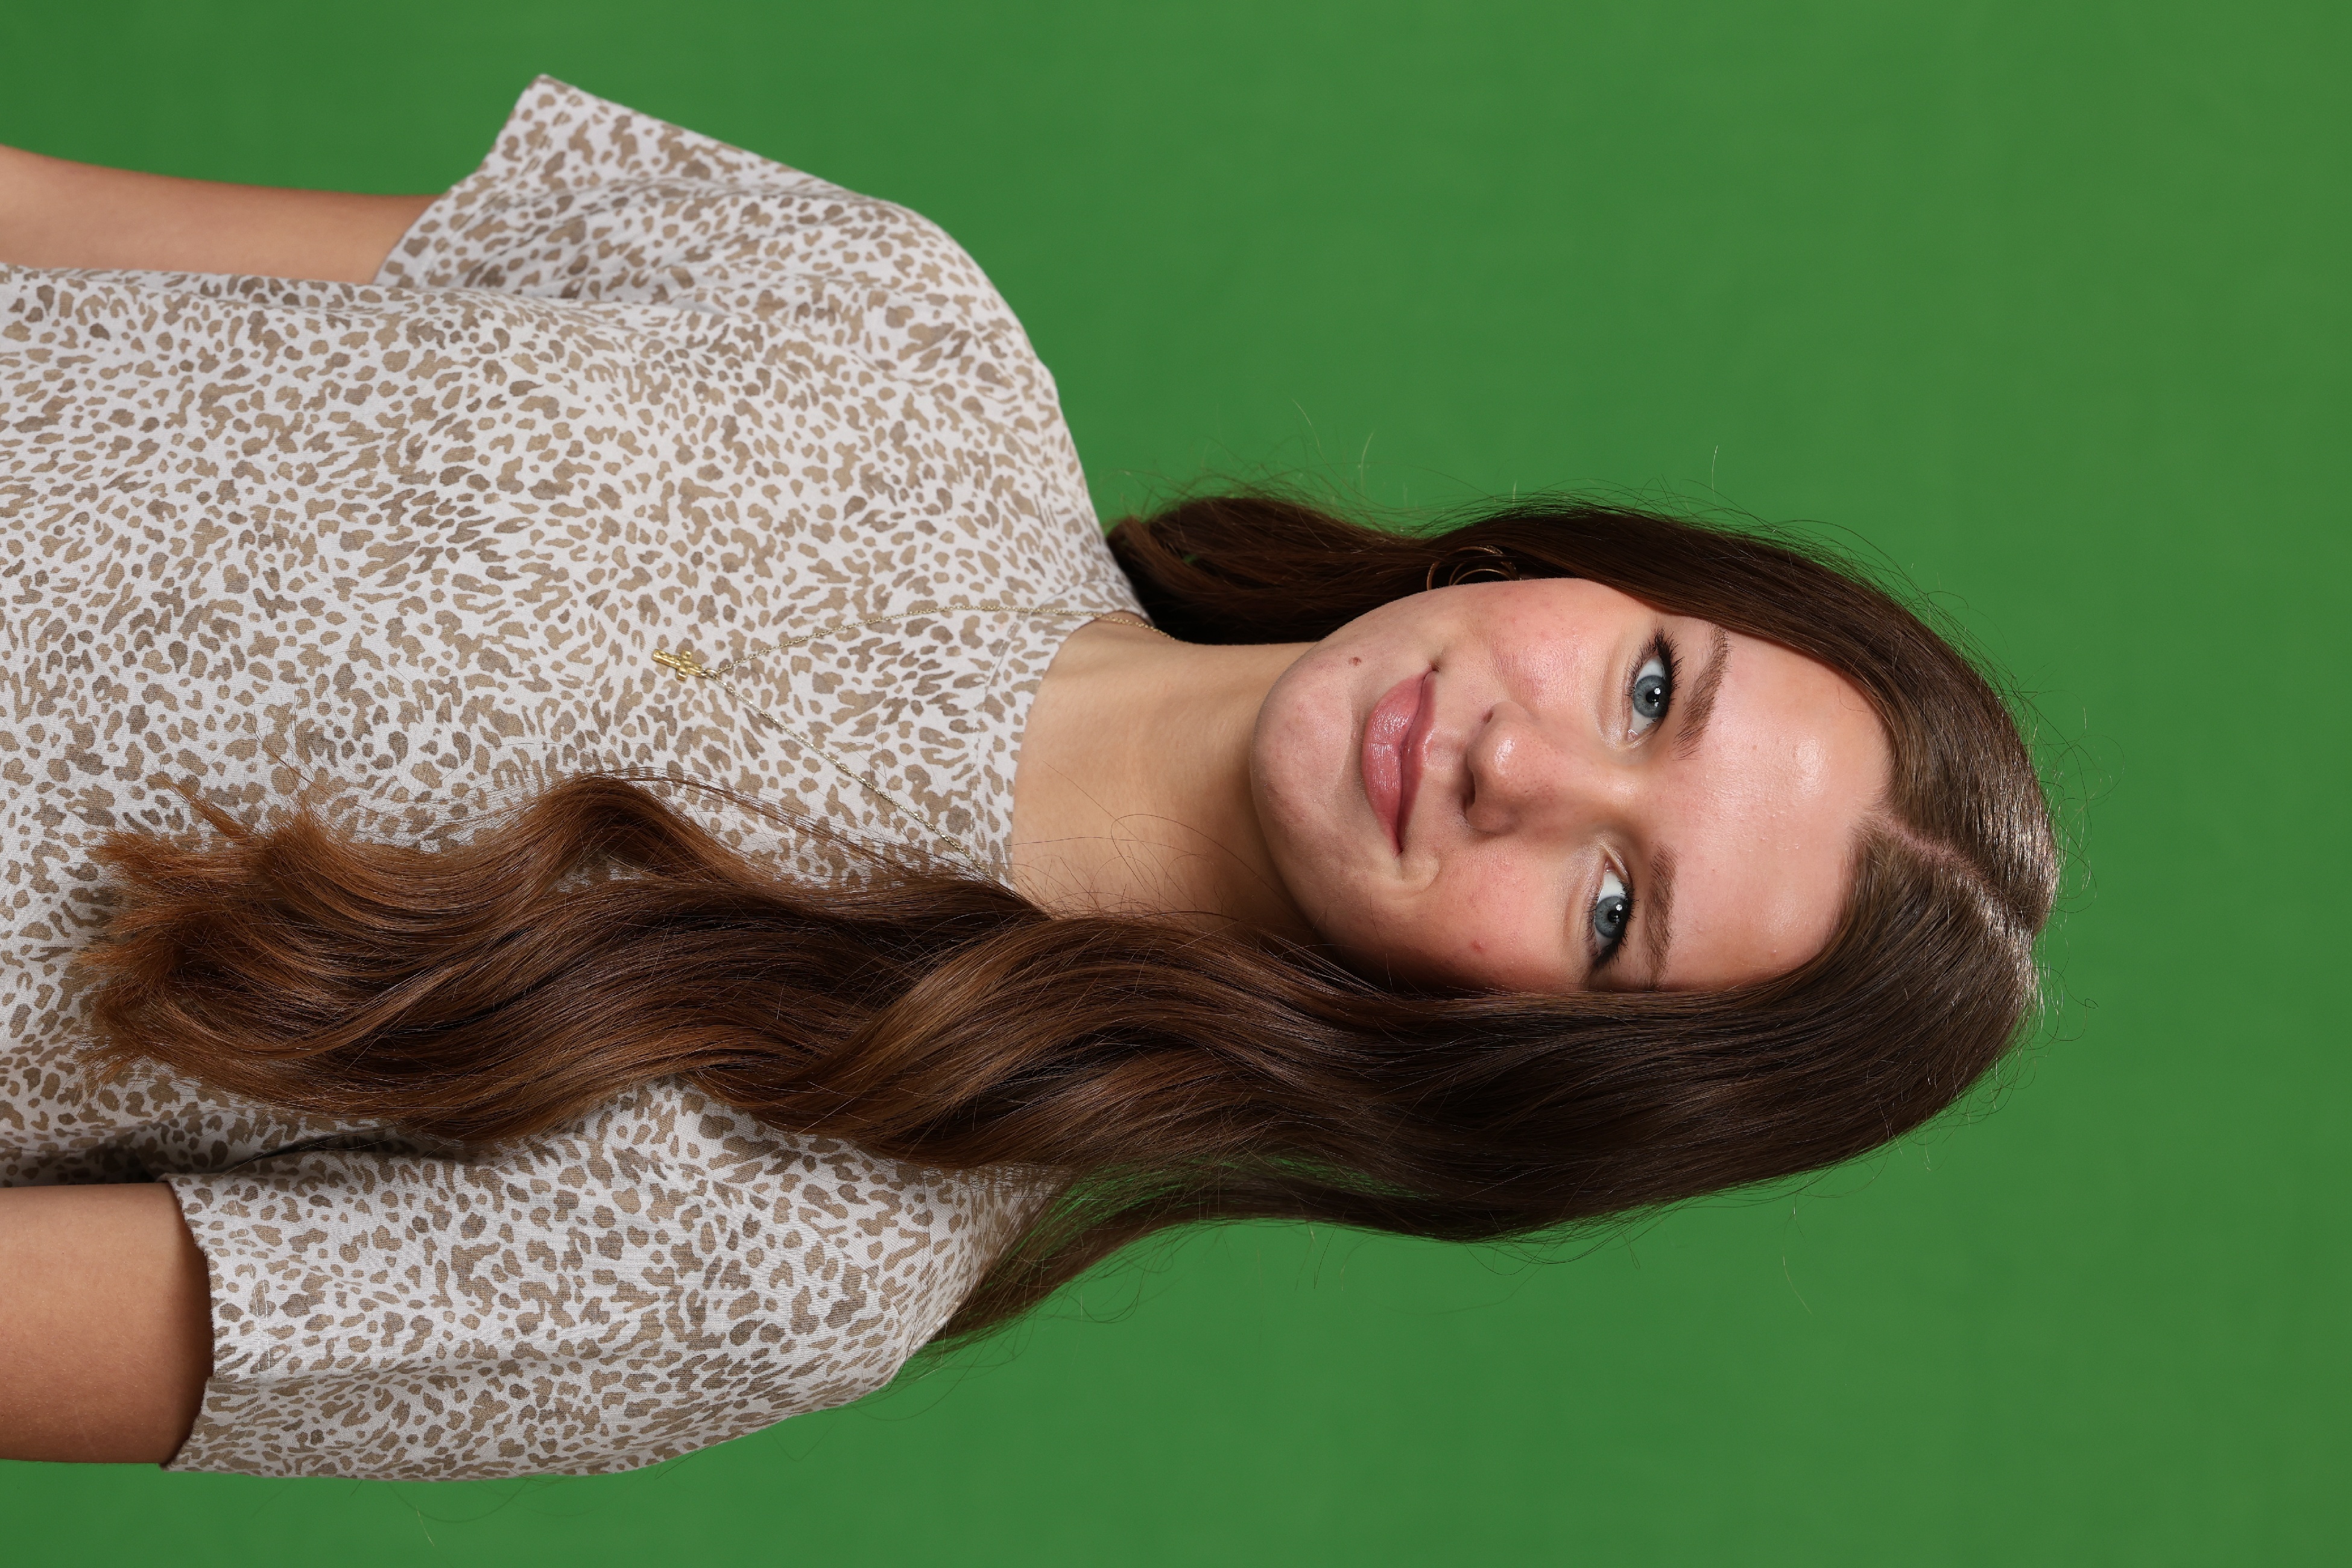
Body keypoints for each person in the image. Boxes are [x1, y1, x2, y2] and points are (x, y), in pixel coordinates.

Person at [0, 78, 2056, 1480]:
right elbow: (62, 230)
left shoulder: (804, 1260)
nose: (1516, 763)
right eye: (1647, 690)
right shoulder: (897, 320)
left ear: (1521, 1061)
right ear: (1591, 572)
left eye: (1610, 910)